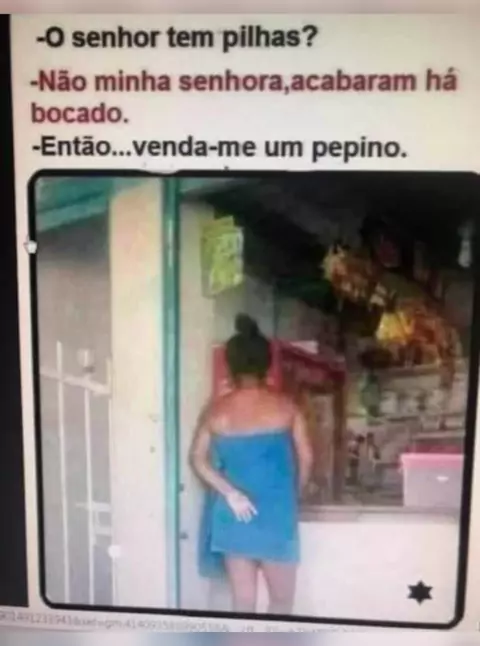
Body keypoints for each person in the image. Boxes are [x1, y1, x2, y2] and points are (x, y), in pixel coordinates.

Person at [190, 314, 313, 615]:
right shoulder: (286, 407)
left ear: (231, 366)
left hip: (234, 515)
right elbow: (306, 458)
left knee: (242, 605)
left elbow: (197, 458)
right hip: (276, 514)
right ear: (267, 364)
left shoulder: (216, 411)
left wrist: (230, 493)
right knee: (281, 603)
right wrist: (294, 494)